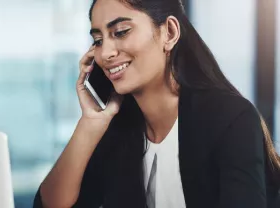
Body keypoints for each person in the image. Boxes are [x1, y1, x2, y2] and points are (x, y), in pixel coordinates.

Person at [33, 0, 280, 207]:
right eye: (98, 40)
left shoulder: (230, 119)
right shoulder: (120, 129)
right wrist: (90, 123)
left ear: (169, 33)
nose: (106, 53)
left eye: (120, 32)